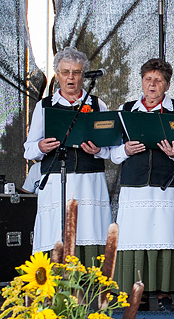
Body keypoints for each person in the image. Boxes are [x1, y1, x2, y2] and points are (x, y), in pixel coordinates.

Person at [109, 58, 174, 311]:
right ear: (142, 82)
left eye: (158, 80)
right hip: (135, 188)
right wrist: (125, 149)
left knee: (164, 236)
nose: (152, 85)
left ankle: (165, 295)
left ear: (167, 85)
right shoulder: (127, 109)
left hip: (168, 187)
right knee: (137, 238)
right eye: (148, 79)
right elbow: (112, 154)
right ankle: (138, 294)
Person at [23, 47, 112, 266]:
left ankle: (90, 285)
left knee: (89, 229)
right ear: (57, 75)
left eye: (76, 72)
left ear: (83, 75)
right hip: (56, 180)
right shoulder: (44, 106)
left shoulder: (98, 104)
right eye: (65, 72)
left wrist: (98, 150)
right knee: (57, 231)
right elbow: (28, 149)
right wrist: (42, 147)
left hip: (89, 180)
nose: (70, 77)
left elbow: (110, 148)